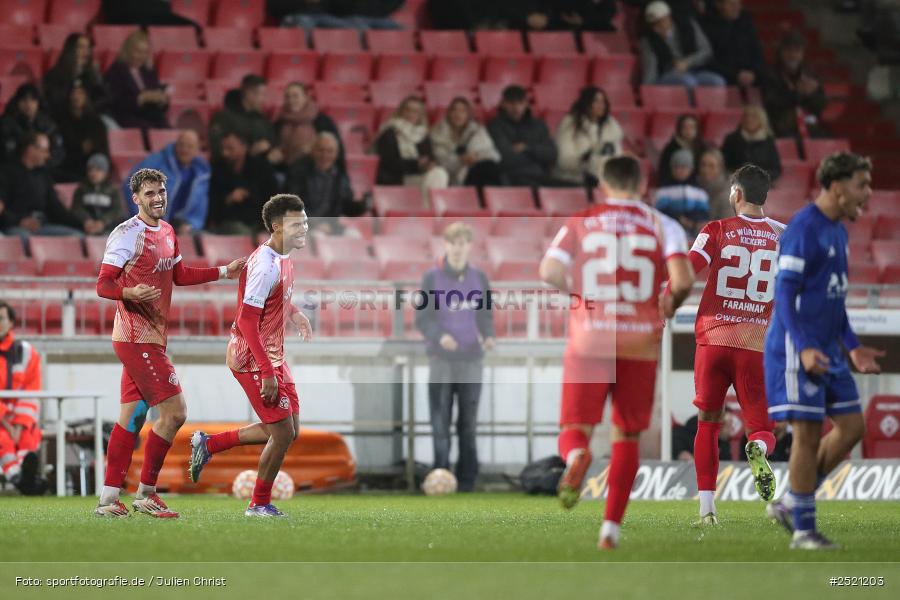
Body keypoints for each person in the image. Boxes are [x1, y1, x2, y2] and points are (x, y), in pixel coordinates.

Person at [539, 156, 694, 550]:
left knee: (575, 427)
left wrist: (582, 295)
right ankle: (610, 530)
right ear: (642, 185)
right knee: (626, 434)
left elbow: (549, 271)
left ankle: (576, 457)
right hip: (639, 341)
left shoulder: (583, 220)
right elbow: (682, 280)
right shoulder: (664, 225)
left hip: (590, 337)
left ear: (604, 185)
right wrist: (668, 305)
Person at [93, 168, 245, 518]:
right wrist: (128, 291)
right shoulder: (126, 234)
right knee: (175, 413)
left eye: (161, 191)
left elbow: (178, 274)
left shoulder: (167, 231)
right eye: (149, 193)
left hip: (152, 337)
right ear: (136, 199)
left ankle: (108, 499)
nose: (158, 197)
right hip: (135, 336)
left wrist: (224, 272)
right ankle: (147, 492)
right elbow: (103, 284)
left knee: (131, 419)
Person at [764, 152, 885, 550]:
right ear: (836, 186)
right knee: (808, 433)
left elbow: (834, 300)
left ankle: (790, 502)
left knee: (852, 427)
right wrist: (802, 349)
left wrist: (852, 348)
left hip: (829, 350)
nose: (866, 195)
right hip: (798, 347)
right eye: (861, 185)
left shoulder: (838, 231)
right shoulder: (803, 228)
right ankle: (803, 530)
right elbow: (783, 296)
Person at [667, 164, 781, 526]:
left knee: (708, 423)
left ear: (736, 193)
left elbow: (688, 269)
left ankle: (707, 511)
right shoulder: (785, 235)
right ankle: (757, 449)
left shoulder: (716, 229)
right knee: (762, 426)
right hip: (756, 343)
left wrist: (663, 301)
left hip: (713, 340)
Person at [189, 194, 312, 518]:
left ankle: (210, 444)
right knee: (283, 433)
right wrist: (268, 372)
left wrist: (295, 313)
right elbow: (246, 320)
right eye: (297, 224)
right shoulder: (264, 265)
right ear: (276, 227)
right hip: (251, 357)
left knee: (290, 430)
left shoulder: (284, 256)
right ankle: (258, 504)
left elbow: (275, 300)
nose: (304, 229)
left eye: (305, 222)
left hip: (272, 354)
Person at [414, 222, 495, 493]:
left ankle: (468, 480)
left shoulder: (480, 279)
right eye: (453, 243)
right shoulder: (431, 278)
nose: (458, 249)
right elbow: (422, 318)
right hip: (441, 360)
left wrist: (489, 334)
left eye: (463, 243)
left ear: (470, 247)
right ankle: (441, 474)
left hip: (471, 359)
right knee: (440, 420)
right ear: (445, 245)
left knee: (468, 423)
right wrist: (439, 336)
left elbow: (485, 314)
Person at [0, 300, 47, 496]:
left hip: (21, 419)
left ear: (11, 323)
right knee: (3, 439)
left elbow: (31, 391)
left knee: (29, 437)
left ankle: (21, 478)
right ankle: (25, 480)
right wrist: (7, 423)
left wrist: (18, 425)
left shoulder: (27, 352)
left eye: (1, 318)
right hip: (2, 420)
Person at [125, 130, 210, 234]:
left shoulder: (201, 175)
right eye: (181, 145)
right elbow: (132, 184)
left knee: (203, 237)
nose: (185, 150)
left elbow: (199, 210)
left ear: (197, 150)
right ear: (175, 145)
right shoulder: (157, 162)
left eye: (190, 146)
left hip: (180, 228)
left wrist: (190, 225)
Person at [0, 132, 84, 238]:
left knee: (77, 237)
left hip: (43, 226)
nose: (47, 155)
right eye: (44, 151)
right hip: (15, 227)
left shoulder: (43, 175)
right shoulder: (6, 173)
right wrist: (20, 221)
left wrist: (83, 224)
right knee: (25, 239)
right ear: (30, 149)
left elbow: (56, 209)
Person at [285, 132, 365, 235]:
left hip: (330, 225)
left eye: (330, 151)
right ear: (312, 151)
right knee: (318, 236)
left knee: (353, 234)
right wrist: (316, 224)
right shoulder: (298, 172)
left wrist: (361, 206)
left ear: (336, 154)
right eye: (321, 150)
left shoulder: (339, 176)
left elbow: (346, 205)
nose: (325, 155)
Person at [639, 1, 725, 90]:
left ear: (668, 17)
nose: (657, 27)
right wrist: (647, 91)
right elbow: (650, 70)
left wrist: (687, 62)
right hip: (668, 75)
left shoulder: (688, 25)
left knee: (717, 81)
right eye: (653, 24)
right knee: (688, 81)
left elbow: (706, 51)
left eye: (660, 22)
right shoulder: (648, 41)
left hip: (693, 70)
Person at [374, 96, 449, 195]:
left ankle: (427, 209)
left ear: (420, 115)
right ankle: (429, 210)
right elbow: (388, 163)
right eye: (407, 110)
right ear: (400, 111)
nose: (411, 114)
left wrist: (429, 164)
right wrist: (416, 164)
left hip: (419, 176)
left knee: (439, 173)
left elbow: (430, 156)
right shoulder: (389, 132)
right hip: (397, 178)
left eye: (416, 111)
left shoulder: (422, 134)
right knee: (437, 176)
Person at [208, 132, 279, 235]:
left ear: (244, 147)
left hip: (259, 223)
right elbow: (212, 208)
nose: (225, 153)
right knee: (239, 231)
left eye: (230, 148)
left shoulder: (261, 168)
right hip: (229, 224)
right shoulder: (217, 169)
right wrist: (229, 199)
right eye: (223, 149)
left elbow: (273, 198)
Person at [487, 85, 559, 187]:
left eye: (520, 103)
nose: (516, 108)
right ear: (503, 104)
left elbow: (552, 154)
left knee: (578, 191)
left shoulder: (538, 125)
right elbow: (506, 158)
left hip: (540, 176)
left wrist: (527, 148)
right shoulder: (495, 126)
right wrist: (537, 155)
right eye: (511, 103)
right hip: (512, 178)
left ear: (526, 104)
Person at [762, 32, 827, 139]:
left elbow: (821, 105)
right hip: (779, 125)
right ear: (781, 52)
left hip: (808, 124)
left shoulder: (810, 74)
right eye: (789, 50)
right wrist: (796, 93)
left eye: (797, 51)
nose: (793, 55)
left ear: (802, 54)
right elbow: (771, 103)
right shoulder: (770, 74)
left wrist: (812, 94)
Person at [554, 86, 624, 186]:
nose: (601, 105)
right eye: (596, 101)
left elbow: (617, 156)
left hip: (604, 181)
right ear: (586, 103)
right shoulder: (570, 124)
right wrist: (586, 159)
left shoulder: (611, 127)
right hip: (573, 180)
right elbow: (564, 160)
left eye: (603, 101)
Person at [429, 97, 502, 187]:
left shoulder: (477, 130)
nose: (458, 114)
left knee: (489, 167)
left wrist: (475, 157)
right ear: (448, 113)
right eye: (454, 110)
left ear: (468, 115)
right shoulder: (438, 133)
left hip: (476, 171)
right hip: (450, 177)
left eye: (463, 111)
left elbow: (494, 155)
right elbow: (441, 160)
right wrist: (461, 159)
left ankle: (492, 199)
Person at [104, 30, 170, 129]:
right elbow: (115, 104)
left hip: (152, 116)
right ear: (128, 50)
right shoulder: (116, 71)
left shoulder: (148, 71)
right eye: (138, 51)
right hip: (128, 118)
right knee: (149, 128)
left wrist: (162, 100)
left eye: (145, 52)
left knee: (167, 128)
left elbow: (157, 96)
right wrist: (141, 98)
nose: (141, 56)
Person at [272, 82, 343, 172]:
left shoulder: (323, 121)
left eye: (295, 96)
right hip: (283, 171)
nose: (291, 100)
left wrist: (314, 151)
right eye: (287, 97)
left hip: (314, 174)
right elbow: (273, 146)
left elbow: (337, 152)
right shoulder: (279, 121)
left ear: (306, 97)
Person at [700, 0, 765, 89]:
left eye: (739, 4)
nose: (737, 8)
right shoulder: (707, 27)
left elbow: (757, 51)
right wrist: (735, 75)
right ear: (719, 5)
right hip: (723, 74)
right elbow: (708, 60)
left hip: (749, 74)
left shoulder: (746, 24)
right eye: (732, 4)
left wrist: (753, 72)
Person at [209, 75, 275, 160]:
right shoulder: (222, 117)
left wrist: (272, 151)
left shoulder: (263, 120)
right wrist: (249, 152)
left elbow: (272, 142)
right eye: (261, 94)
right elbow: (217, 149)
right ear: (248, 93)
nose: (263, 99)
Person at [42, 33, 107, 119]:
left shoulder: (91, 74)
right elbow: (55, 101)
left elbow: (103, 98)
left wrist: (87, 108)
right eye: (81, 47)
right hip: (63, 119)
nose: (86, 52)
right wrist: (73, 75)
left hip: (89, 117)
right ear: (70, 50)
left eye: (88, 48)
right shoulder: (54, 74)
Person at [55, 81, 110, 183]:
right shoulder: (62, 120)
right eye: (74, 93)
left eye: (80, 93)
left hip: (93, 167)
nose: (76, 97)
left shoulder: (96, 122)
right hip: (70, 167)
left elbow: (101, 149)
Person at [0, 84, 65, 169]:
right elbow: (7, 153)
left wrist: (44, 161)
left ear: (38, 102)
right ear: (17, 102)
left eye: (33, 100)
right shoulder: (7, 124)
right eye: (24, 100)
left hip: (46, 170)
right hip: (16, 173)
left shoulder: (47, 124)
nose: (28, 104)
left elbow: (58, 151)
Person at [654, 149, 710, 237]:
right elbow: (661, 211)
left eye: (683, 167)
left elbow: (703, 212)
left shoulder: (699, 191)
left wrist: (692, 222)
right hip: (670, 233)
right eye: (676, 167)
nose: (679, 170)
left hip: (694, 235)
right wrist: (679, 219)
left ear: (691, 169)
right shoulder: (664, 190)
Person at [721, 105, 782, 180]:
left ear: (761, 120)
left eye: (754, 116)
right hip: (735, 182)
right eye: (746, 116)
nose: (749, 119)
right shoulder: (731, 140)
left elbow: (775, 169)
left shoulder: (768, 141)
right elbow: (723, 164)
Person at [70, 154, 125, 235]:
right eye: (90, 170)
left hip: (109, 230)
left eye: (98, 170)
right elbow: (76, 208)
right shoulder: (81, 189)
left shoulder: (113, 190)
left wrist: (103, 222)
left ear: (106, 173)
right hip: (84, 229)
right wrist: (86, 220)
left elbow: (117, 211)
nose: (93, 173)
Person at [657, 114, 705, 186]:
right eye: (685, 127)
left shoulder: (703, 147)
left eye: (692, 127)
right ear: (679, 129)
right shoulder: (671, 148)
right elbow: (663, 171)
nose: (688, 131)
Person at [697, 148, 731, 221]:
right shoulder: (695, 186)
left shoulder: (727, 196)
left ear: (720, 168)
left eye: (711, 166)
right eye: (703, 165)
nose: (706, 170)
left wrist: (693, 225)